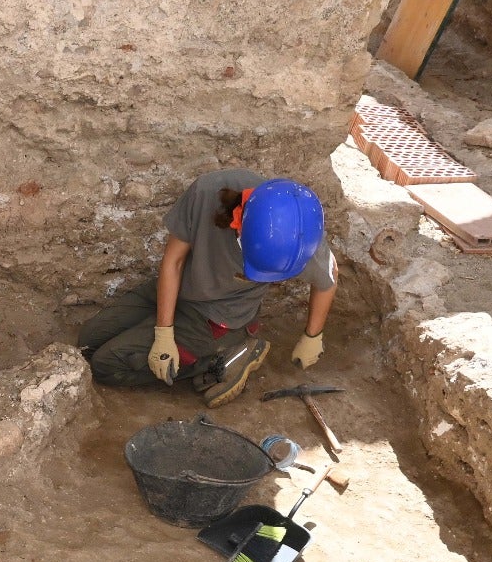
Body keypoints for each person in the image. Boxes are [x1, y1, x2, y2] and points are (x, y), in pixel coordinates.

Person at [78, 171, 337, 408]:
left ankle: (224, 355)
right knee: (87, 342)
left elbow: (328, 276)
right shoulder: (206, 193)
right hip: (182, 287)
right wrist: (163, 333)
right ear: (241, 226)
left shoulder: (300, 234)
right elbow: (174, 261)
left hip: (219, 317)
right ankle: (197, 343)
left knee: (105, 365)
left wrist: (313, 336)